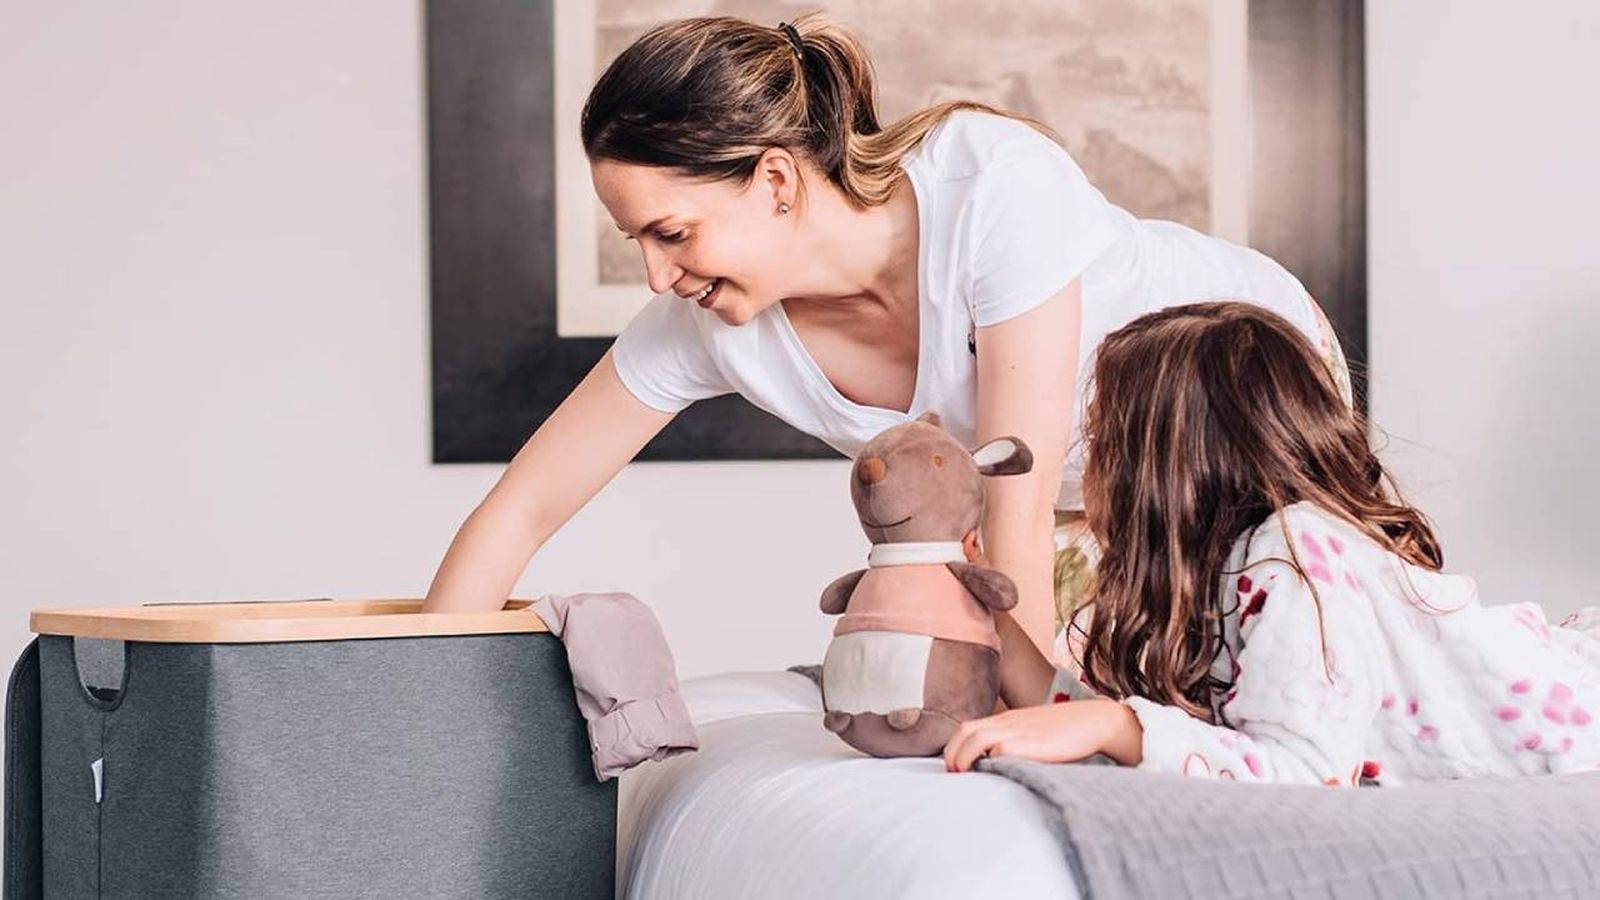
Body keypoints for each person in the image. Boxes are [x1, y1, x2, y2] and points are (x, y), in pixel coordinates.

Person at [421, 14, 1350, 667]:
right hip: (1095, 496)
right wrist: (423, 708)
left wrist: (1012, 737)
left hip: (1256, 392)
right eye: (637, 245)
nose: (659, 276)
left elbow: (1010, 513)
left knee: (1298, 664)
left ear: (777, 181)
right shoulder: (707, 327)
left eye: (672, 233)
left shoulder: (990, 189)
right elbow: (520, 510)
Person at [942, 302, 1600, 784]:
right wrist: (991, 621)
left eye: (1102, 444)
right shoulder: (1224, 579)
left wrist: (1122, 728)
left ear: (1161, 471)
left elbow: (1308, 771)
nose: (1084, 471)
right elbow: (1095, 726)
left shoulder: (1296, 555)